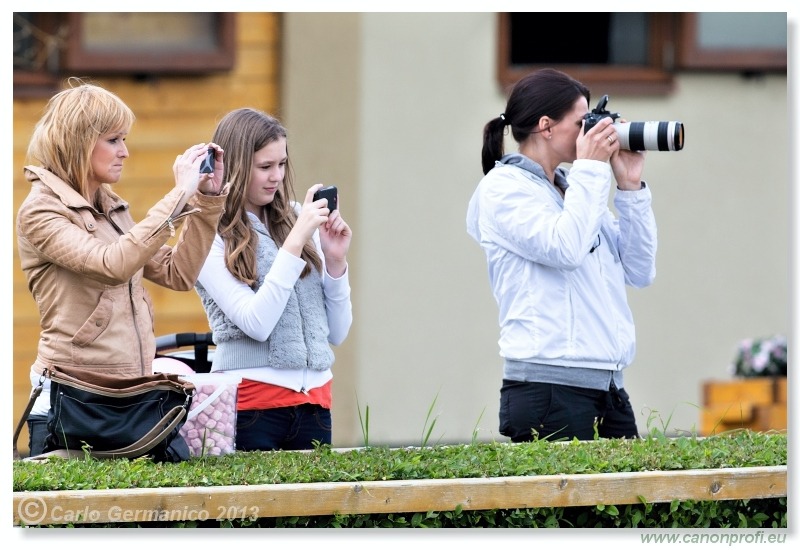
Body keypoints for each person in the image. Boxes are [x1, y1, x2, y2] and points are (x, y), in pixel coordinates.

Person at [16, 79, 228, 457]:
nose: (125, 152)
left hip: (131, 394)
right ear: (80, 141)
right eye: (114, 140)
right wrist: (178, 194)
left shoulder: (111, 207)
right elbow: (111, 264)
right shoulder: (41, 210)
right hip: (72, 397)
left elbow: (178, 273)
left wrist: (206, 200)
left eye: (125, 140)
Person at [466, 68, 657, 442]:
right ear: (546, 126)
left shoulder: (576, 190)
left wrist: (630, 186)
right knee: (569, 504)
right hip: (549, 389)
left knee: (632, 501)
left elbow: (640, 270)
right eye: (582, 122)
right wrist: (590, 169)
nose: (593, 133)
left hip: (609, 388)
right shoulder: (502, 189)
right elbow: (565, 248)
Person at [194, 107, 353, 451]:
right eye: (265, 167)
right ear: (235, 166)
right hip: (251, 405)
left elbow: (337, 333)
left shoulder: (297, 218)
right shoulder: (209, 234)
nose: (277, 176)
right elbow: (256, 322)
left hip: (315, 405)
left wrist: (336, 263)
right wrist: (296, 242)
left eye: (282, 164)